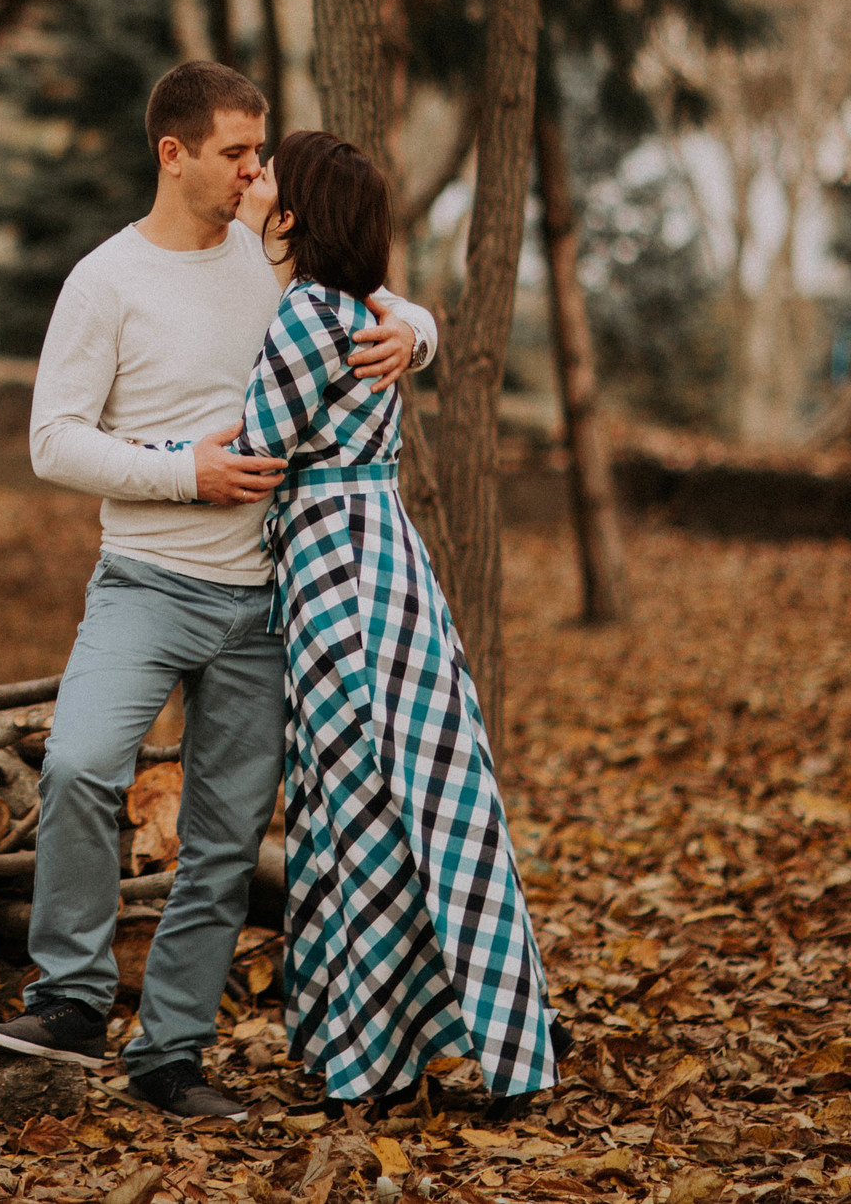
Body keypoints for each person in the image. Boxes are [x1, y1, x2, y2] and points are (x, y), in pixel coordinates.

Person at [0, 62, 439, 1121]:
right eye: (235, 152)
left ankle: (171, 1055)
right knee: (81, 764)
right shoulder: (105, 280)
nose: (254, 172)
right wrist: (187, 470)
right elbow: (53, 441)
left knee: (225, 839)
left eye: (259, 151)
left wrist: (418, 332)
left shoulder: (268, 258)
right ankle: (71, 1000)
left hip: (267, 602)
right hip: (144, 583)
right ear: (172, 154)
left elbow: (372, 297)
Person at [232, 128, 562, 1115]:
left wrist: (156, 454)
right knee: (436, 797)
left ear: (294, 214)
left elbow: (253, 452)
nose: (253, 178)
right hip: (384, 560)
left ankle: (370, 1061)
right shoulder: (356, 308)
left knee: (356, 805)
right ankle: (493, 1038)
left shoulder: (307, 316)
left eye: (268, 175)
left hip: (339, 575)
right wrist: (416, 325)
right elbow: (393, 329)